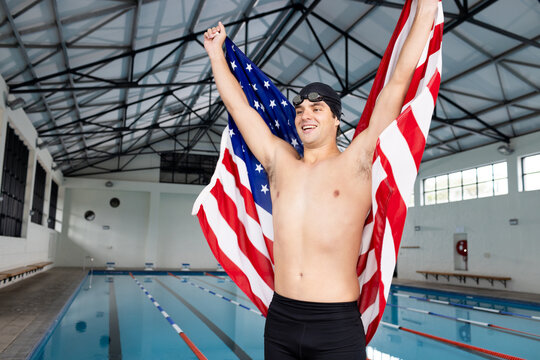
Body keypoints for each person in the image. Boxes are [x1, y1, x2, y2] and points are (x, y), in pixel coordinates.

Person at [203, 1, 438, 358]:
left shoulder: (357, 161)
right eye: (299, 110)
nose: (305, 116)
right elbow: (240, 108)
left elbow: (398, 83)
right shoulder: (280, 162)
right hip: (281, 320)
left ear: (336, 121)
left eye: (317, 109)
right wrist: (216, 55)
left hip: (335, 325)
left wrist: (426, 10)